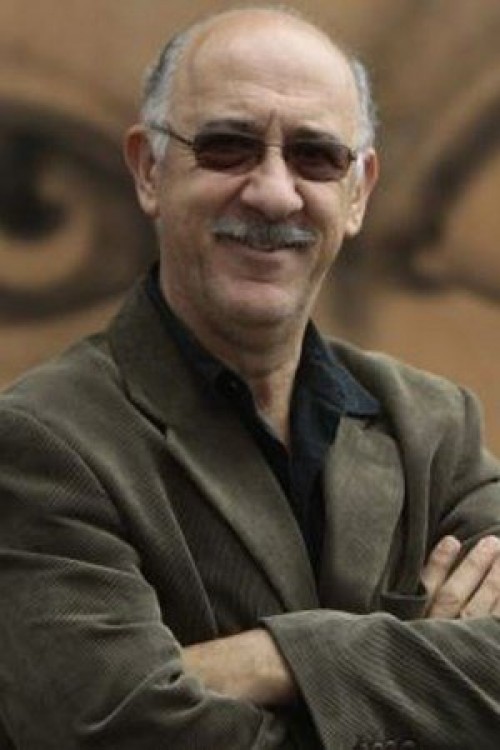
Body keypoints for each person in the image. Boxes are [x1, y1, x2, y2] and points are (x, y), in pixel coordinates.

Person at [0, 6, 499, 749]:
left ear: (359, 192)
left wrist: (272, 657)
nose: (273, 193)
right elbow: (110, 730)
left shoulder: (436, 427)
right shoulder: (40, 444)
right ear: (148, 169)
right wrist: (420, 670)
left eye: (315, 156)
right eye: (228, 147)